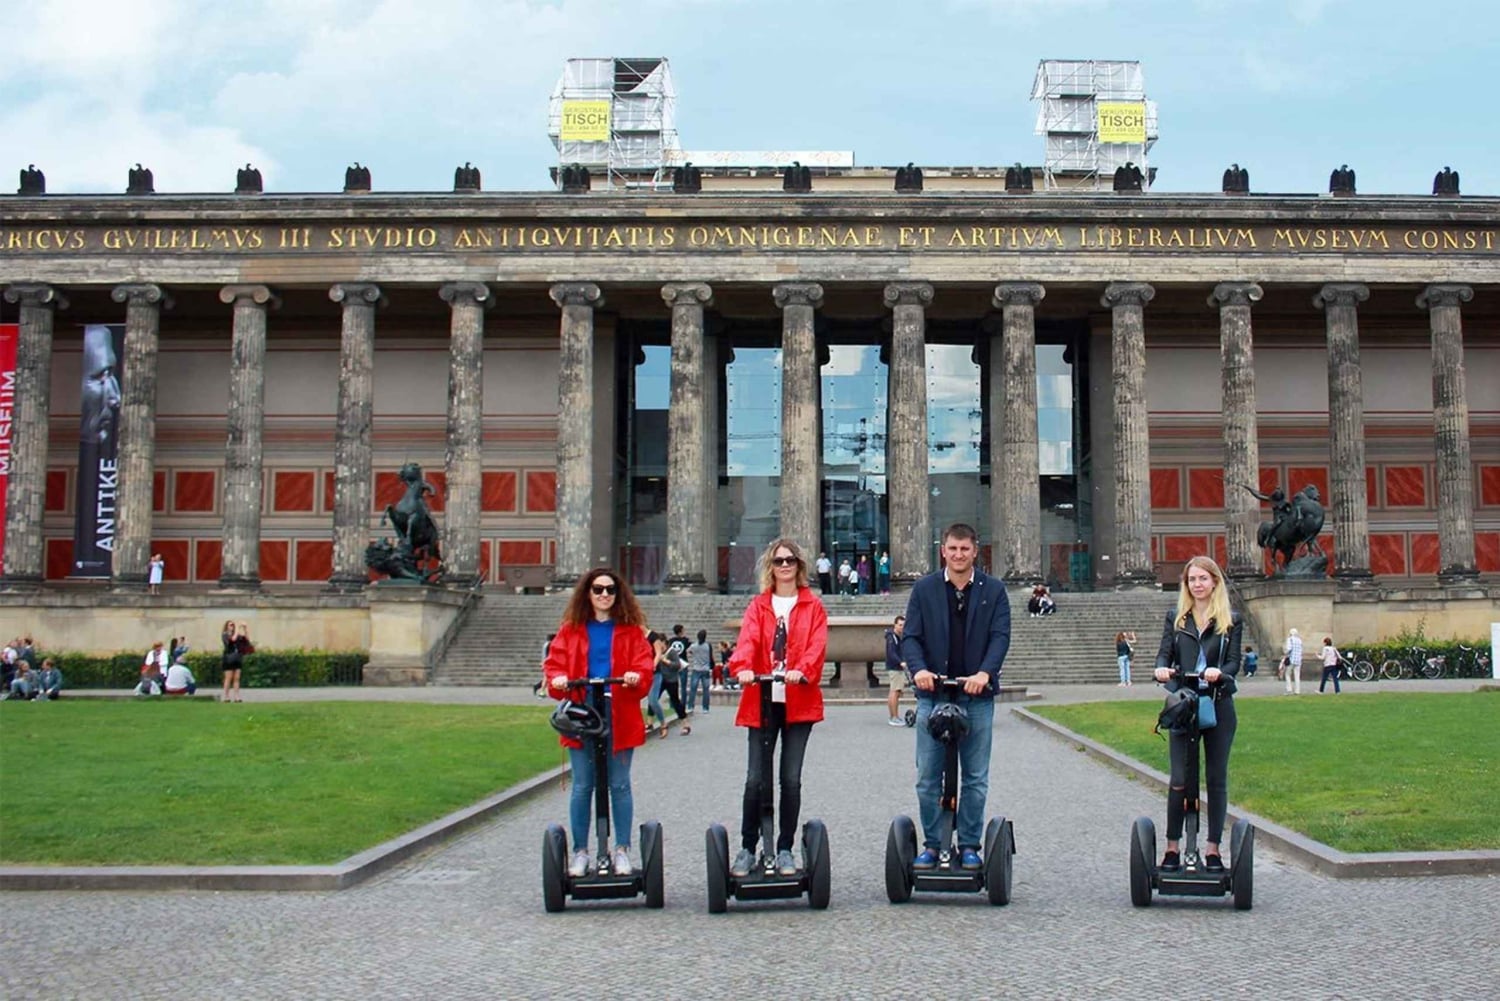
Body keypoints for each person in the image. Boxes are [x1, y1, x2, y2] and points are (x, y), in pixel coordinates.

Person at [901, 522, 1012, 870]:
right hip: (932, 694)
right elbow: (911, 638)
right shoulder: (924, 589)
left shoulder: (994, 591)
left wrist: (984, 673)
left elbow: (1000, 637)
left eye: (965, 549)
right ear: (943, 551)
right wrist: (918, 669)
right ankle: (933, 844)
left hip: (975, 696)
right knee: (927, 778)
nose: (959, 554)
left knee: (975, 778)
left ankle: (968, 845)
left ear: (975, 551)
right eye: (953, 548)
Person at [726, 537, 828, 877]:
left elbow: (816, 645)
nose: (784, 566)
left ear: (800, 567)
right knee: (756, 778)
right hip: (761, 699)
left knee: (791, 779)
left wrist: (805, 670)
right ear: (770, 567)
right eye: (778, 561)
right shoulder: (758, 606)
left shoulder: (812, 607)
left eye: (790, 561)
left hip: (798, 699)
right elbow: (749, 640)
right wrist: (741, 667)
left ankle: (784, 847)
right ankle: (747, 846)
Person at [544, 567, 654, 878]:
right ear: (587, 594)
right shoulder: (571, 630)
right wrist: (559, 679)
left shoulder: (632, 631)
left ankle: (621, 849)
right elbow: (553, 668)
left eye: (610, 589)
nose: (604, 594)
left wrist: (635, 676)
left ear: (618, 595)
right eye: (597, 589)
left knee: (619, 784)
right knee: (583, 785)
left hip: (618, 708)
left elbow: (644, 668)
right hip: (582, 711)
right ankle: (580, 851)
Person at [1152, 555, 1243, 874]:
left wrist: (1222, 673)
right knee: (1179, 779)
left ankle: (1214, 849)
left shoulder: (1230, 619)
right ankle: (1173, 846)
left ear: (1215, 581)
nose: (1198, 585)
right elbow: (1165, 652)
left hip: (1218, 703)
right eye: (1192, 580)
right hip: (1183, 705)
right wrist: (1162, 669)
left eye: (1203, 578)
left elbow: (1235, 662)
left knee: (1216, 780)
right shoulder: (1176, 617)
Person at [885, 614, 908, 726]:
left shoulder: (897, 637)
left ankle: (894, 716)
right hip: (895, 667)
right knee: (895, 691)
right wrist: (900, 662)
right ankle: (894, 717)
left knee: (895, 691)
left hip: (896, 667)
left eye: (903, 625)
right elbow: (891, 653)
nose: (902, 627)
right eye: (900, 625)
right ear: (895, 625)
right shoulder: (892, 637)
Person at [222, 621, 251, 703]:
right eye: (230, 625)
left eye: (233, 625)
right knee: (228, 678)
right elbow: (232, 640)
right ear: (227, 626)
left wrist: (245, 629)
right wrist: (238, 628)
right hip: (228, 658)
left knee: (237, 678)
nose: (232, 626)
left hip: (237, 658)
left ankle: (237, 696)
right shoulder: (225, 635)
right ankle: (226, 696)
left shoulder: (237, 635)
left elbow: (247, 639)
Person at [687, 629, 714, 714]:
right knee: (706, 690)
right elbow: (711, 656)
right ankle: (705, 708)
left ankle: (690, 706)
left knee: (693, 689)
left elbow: (688, 651)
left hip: (696, 668)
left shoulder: (694, 646)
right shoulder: (708, 646)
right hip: (705, 669)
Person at [532, 633, 556, 698]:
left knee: (547, 677)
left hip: (545, 662)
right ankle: (541, 691)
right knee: (546, 677)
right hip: (547, 663)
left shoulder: (546, 644)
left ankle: (538, 686)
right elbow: (548, 655)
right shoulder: (550, 645)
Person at [1283, 627, 1303, 695]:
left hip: (1291, 659)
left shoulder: (1290, 639)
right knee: (1297, 676)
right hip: (1298, 660)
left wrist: (1285, 652)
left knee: (1287, 674)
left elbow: (1289, 649)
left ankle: (1289, 690)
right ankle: (1297, 691)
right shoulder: (1299, 640)